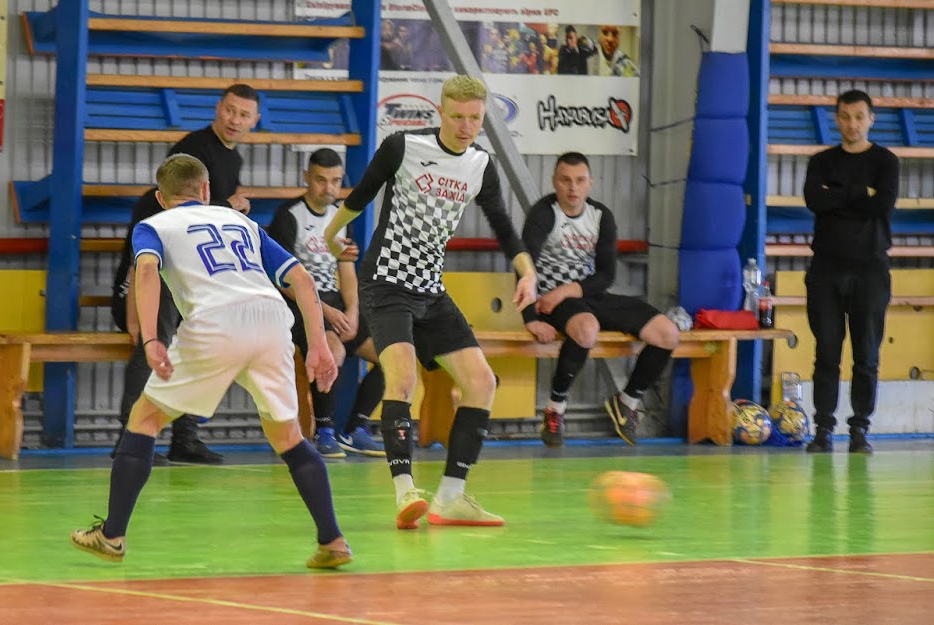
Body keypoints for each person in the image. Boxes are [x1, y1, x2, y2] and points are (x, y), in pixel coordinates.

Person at [71, 154, 351, 569]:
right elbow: (303, 281)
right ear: (205, 191)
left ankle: (112, 535)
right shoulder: (242, 222)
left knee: (144, 420)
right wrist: (319, 346)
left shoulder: (155, 224)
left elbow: (146, 273)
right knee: (289, 436)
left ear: (161, 198)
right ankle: (333, 541)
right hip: (272, 319)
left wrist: (150, 338)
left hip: (216, 322)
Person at [323, 74, 537, 529]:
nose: (465, 126)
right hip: (385, 282)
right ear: (441, 112)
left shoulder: (480, 164)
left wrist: (527, 271)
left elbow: (502, 224)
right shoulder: (403, 147)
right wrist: (329, 233)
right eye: (457, 116)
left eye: (475, 118)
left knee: (481, 382)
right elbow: (361, 196)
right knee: (400, 379)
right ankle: (405, 494)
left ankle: (451, 498)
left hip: (430, 289)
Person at [110, 83, 260, 464]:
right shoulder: (192, 149)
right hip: (157, 267)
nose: (235, 119)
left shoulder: (233, 160)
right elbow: (184, 216)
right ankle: (130, 439)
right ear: (217, 109)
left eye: (244, 114)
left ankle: (185, 438)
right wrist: (230, 206)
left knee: (200, 346)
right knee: (153, 345)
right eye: (230, 110)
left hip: (191, 272)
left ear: (254, 121)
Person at [522, 152, 679, 447]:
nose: (573, 188)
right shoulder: (544, 213)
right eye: (566, 180)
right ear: (555, 182)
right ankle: (555, 409)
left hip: (587, 295)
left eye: (580, 181)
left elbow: (606, 275)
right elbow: (523, 266)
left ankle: (627, 401)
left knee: (667, 333)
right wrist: (530, 318)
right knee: (587, 328)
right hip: (551, 304)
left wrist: (568, 289)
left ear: (590, 183)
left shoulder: (600, 216)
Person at [267, 148, 386, 458]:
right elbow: (283, 280)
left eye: (335, 181)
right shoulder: (288, 216)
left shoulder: (339, 216)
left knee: (392, 354)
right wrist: (326, 311)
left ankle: (356, 430)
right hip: (297, 304)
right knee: (331, 352)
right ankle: (325, 431)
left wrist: (353, 311)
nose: (329, 189)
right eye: (321, 180)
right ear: (308, 178)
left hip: (334, 302)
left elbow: (346, 268)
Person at [802, 90, 899, 454]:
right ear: (836, 119)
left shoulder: (886, 161)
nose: (852, 124)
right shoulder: (821, 161)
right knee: (826, 349)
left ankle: (860, 428)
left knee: (867, 353)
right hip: (826, 267)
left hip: (870, 268)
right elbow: (815, 200)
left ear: (871, 119)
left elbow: (883, 206)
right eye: (845, 116)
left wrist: (839, 195)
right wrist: (861, 194)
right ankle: (822, 428)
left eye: (859, 116)